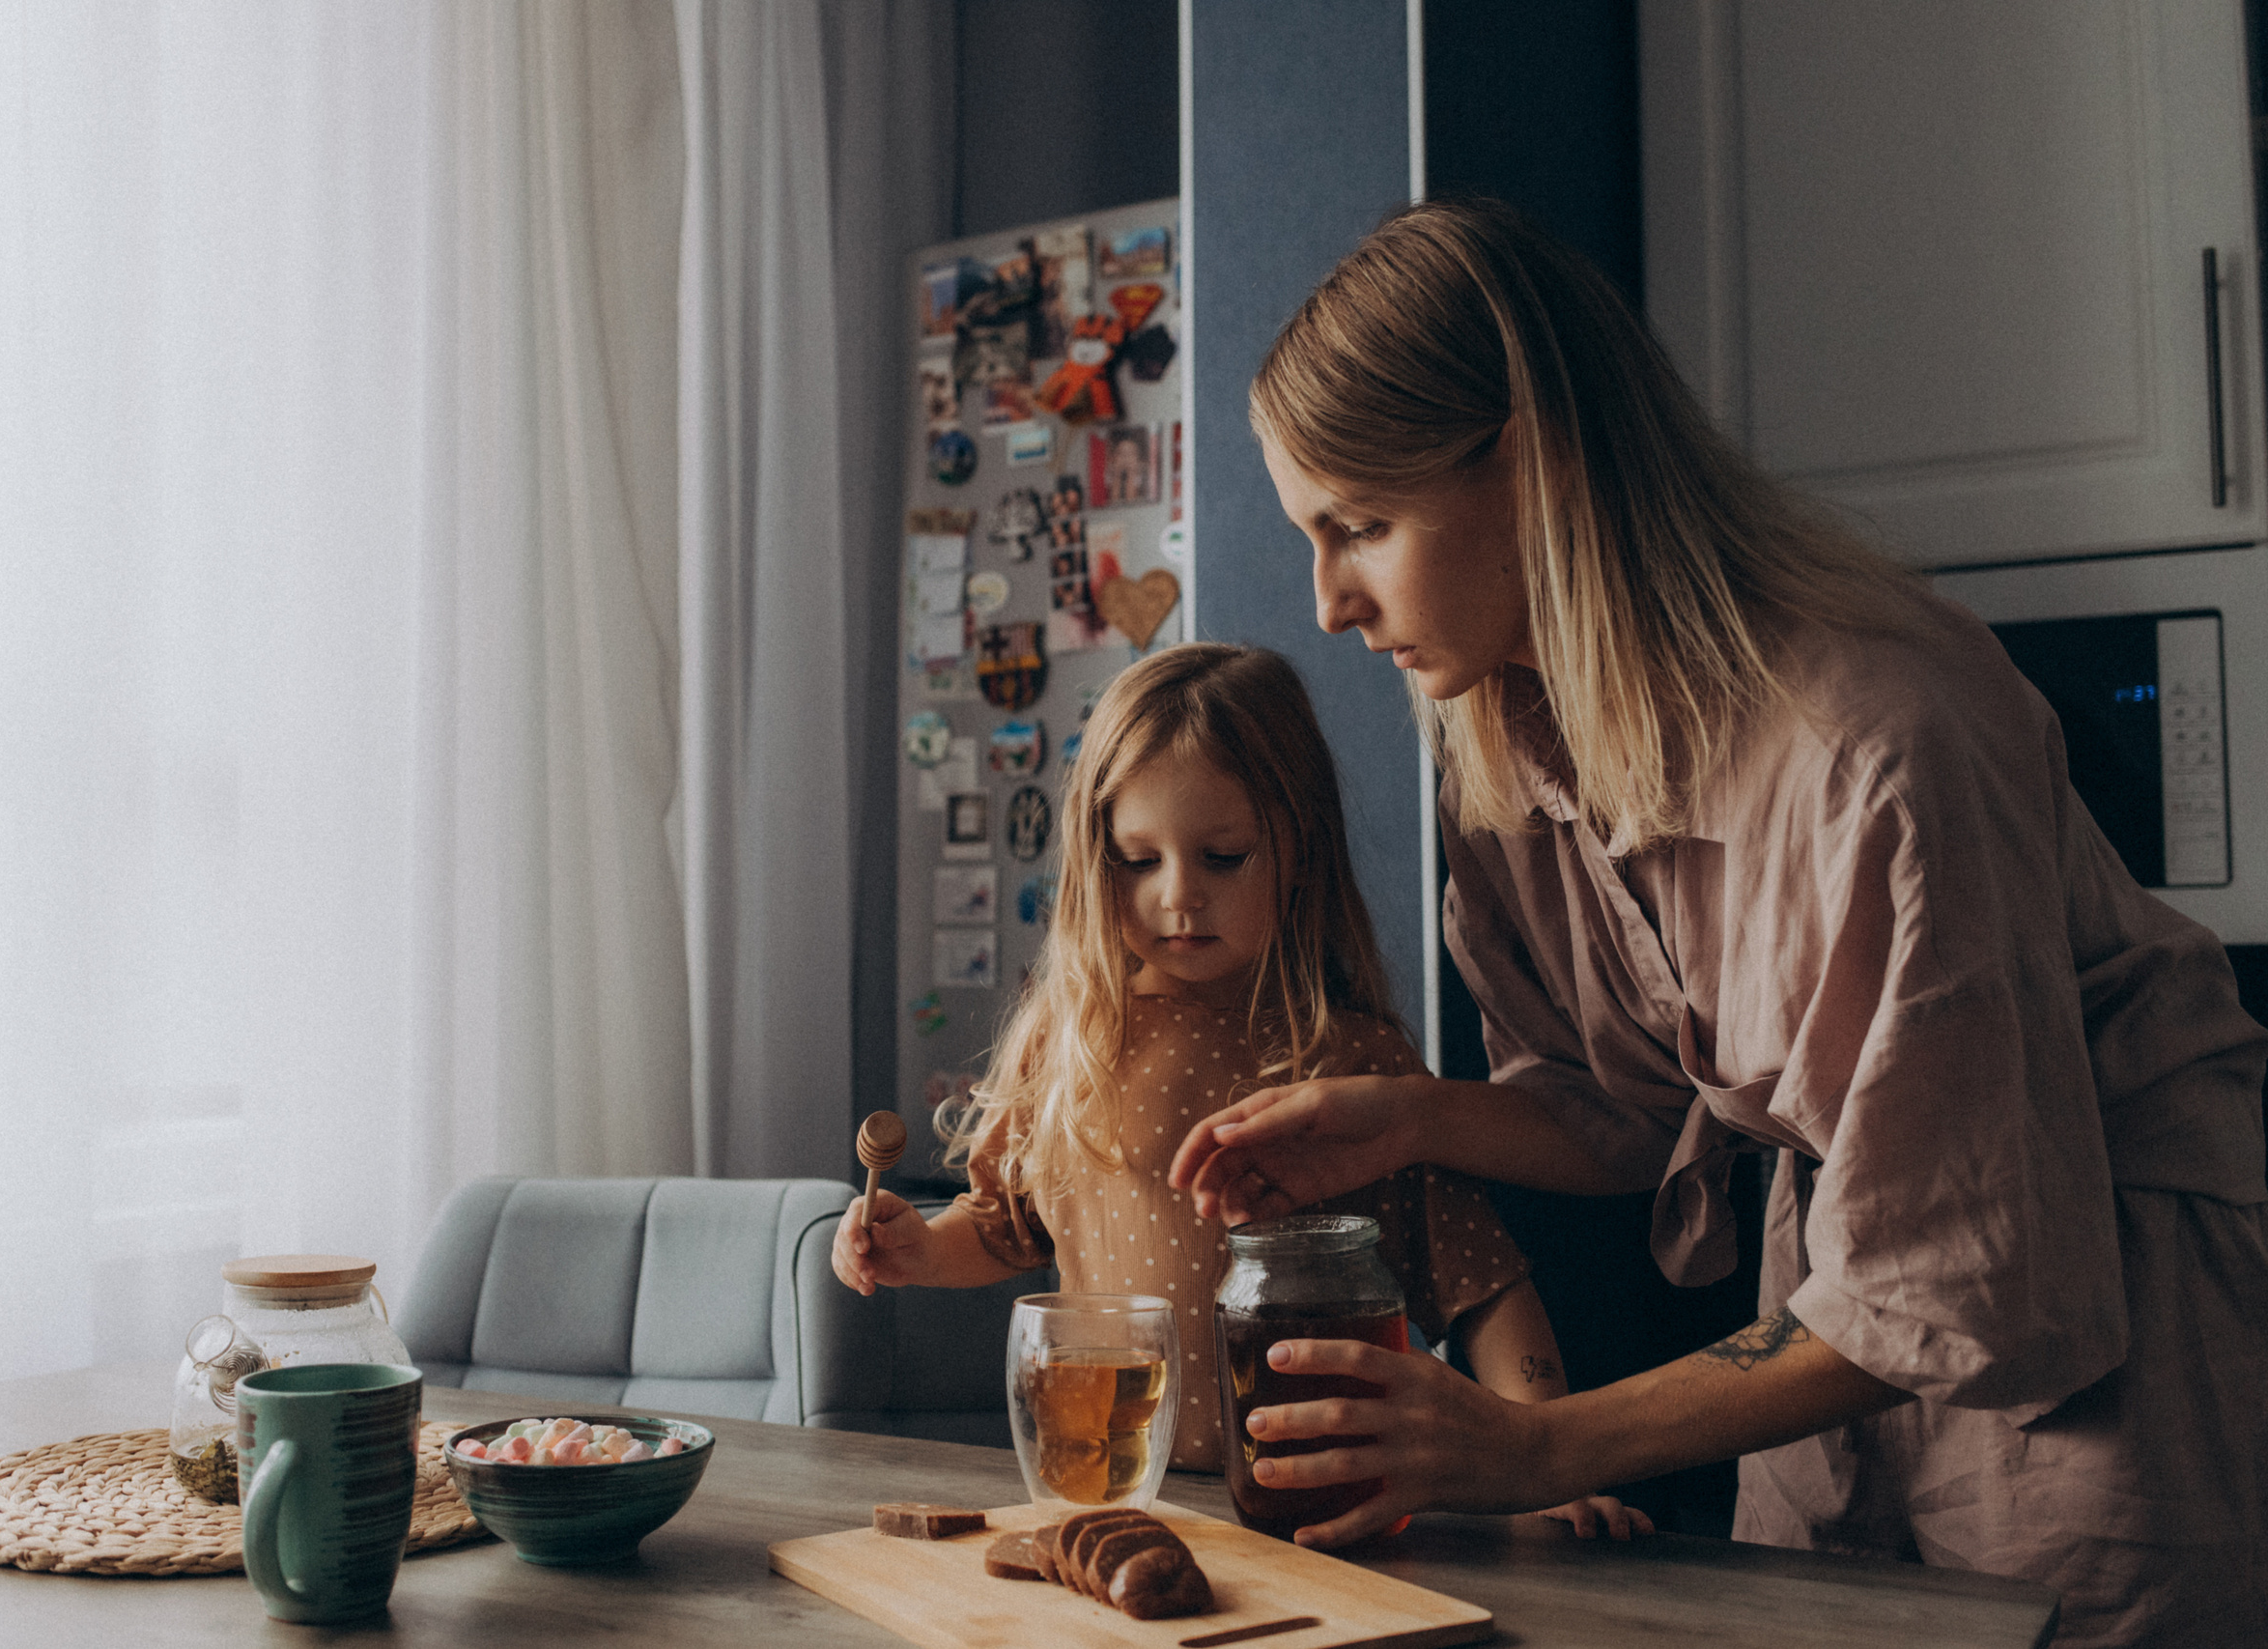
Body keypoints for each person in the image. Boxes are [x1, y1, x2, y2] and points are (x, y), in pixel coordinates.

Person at [1164, 197, 2268, 1648]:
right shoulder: (1507, 741)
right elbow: (1631, 1117)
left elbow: (1959, 1271)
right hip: (1837, 1295)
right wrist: (1412, 1119)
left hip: (2113, 1300)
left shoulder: (1875, 739)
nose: (1328, 604)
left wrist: (1536, 1447)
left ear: (1534, 462)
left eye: (1361, 526)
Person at [835, 642, 1647, 1537]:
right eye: (1137, 859)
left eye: (1223, 856)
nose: (1179, 895)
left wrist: (1544, 1466)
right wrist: (917, 1249)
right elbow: (1002, 1227)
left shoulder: (1353, 1061)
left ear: (1300, 848)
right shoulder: (1068, 1040)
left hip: (1323, 1503)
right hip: (1120, 1499)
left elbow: (1480, 1281)